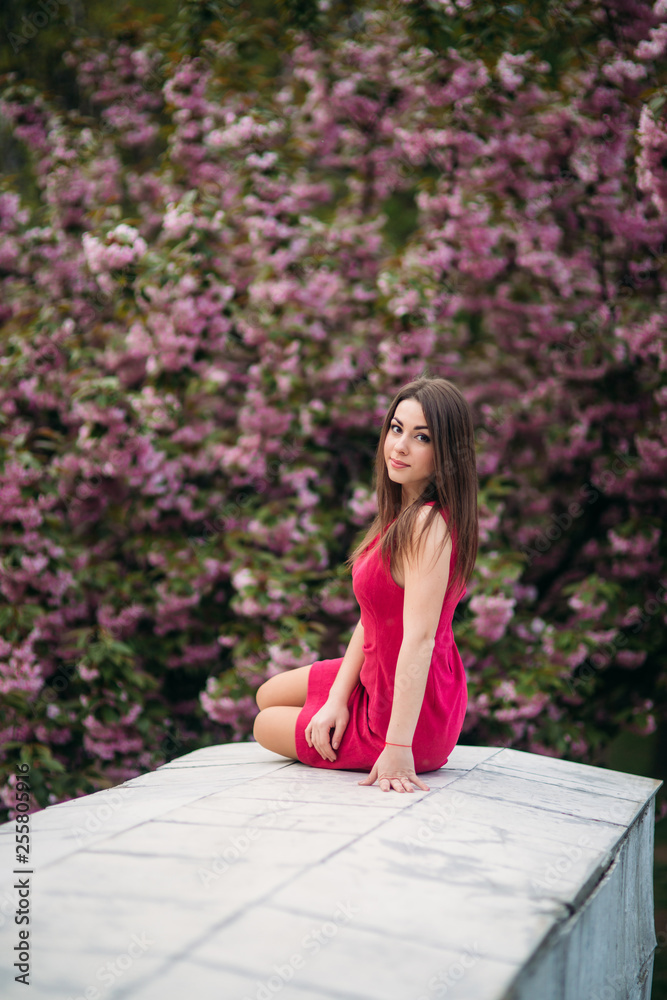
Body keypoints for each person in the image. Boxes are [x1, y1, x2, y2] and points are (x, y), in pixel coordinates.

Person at [253, 375, 478, 793]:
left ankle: (392, 737)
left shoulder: (427, 524)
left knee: (265, 724)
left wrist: (397, 746)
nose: (400, 447)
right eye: (396, 429)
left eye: (421, 437)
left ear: (447, 452)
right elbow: (373, 616)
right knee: (268, 694)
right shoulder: (401, 513)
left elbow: (421, 639)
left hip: (406, 713)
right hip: (378, 676)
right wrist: (338, 698)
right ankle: (347, 704)